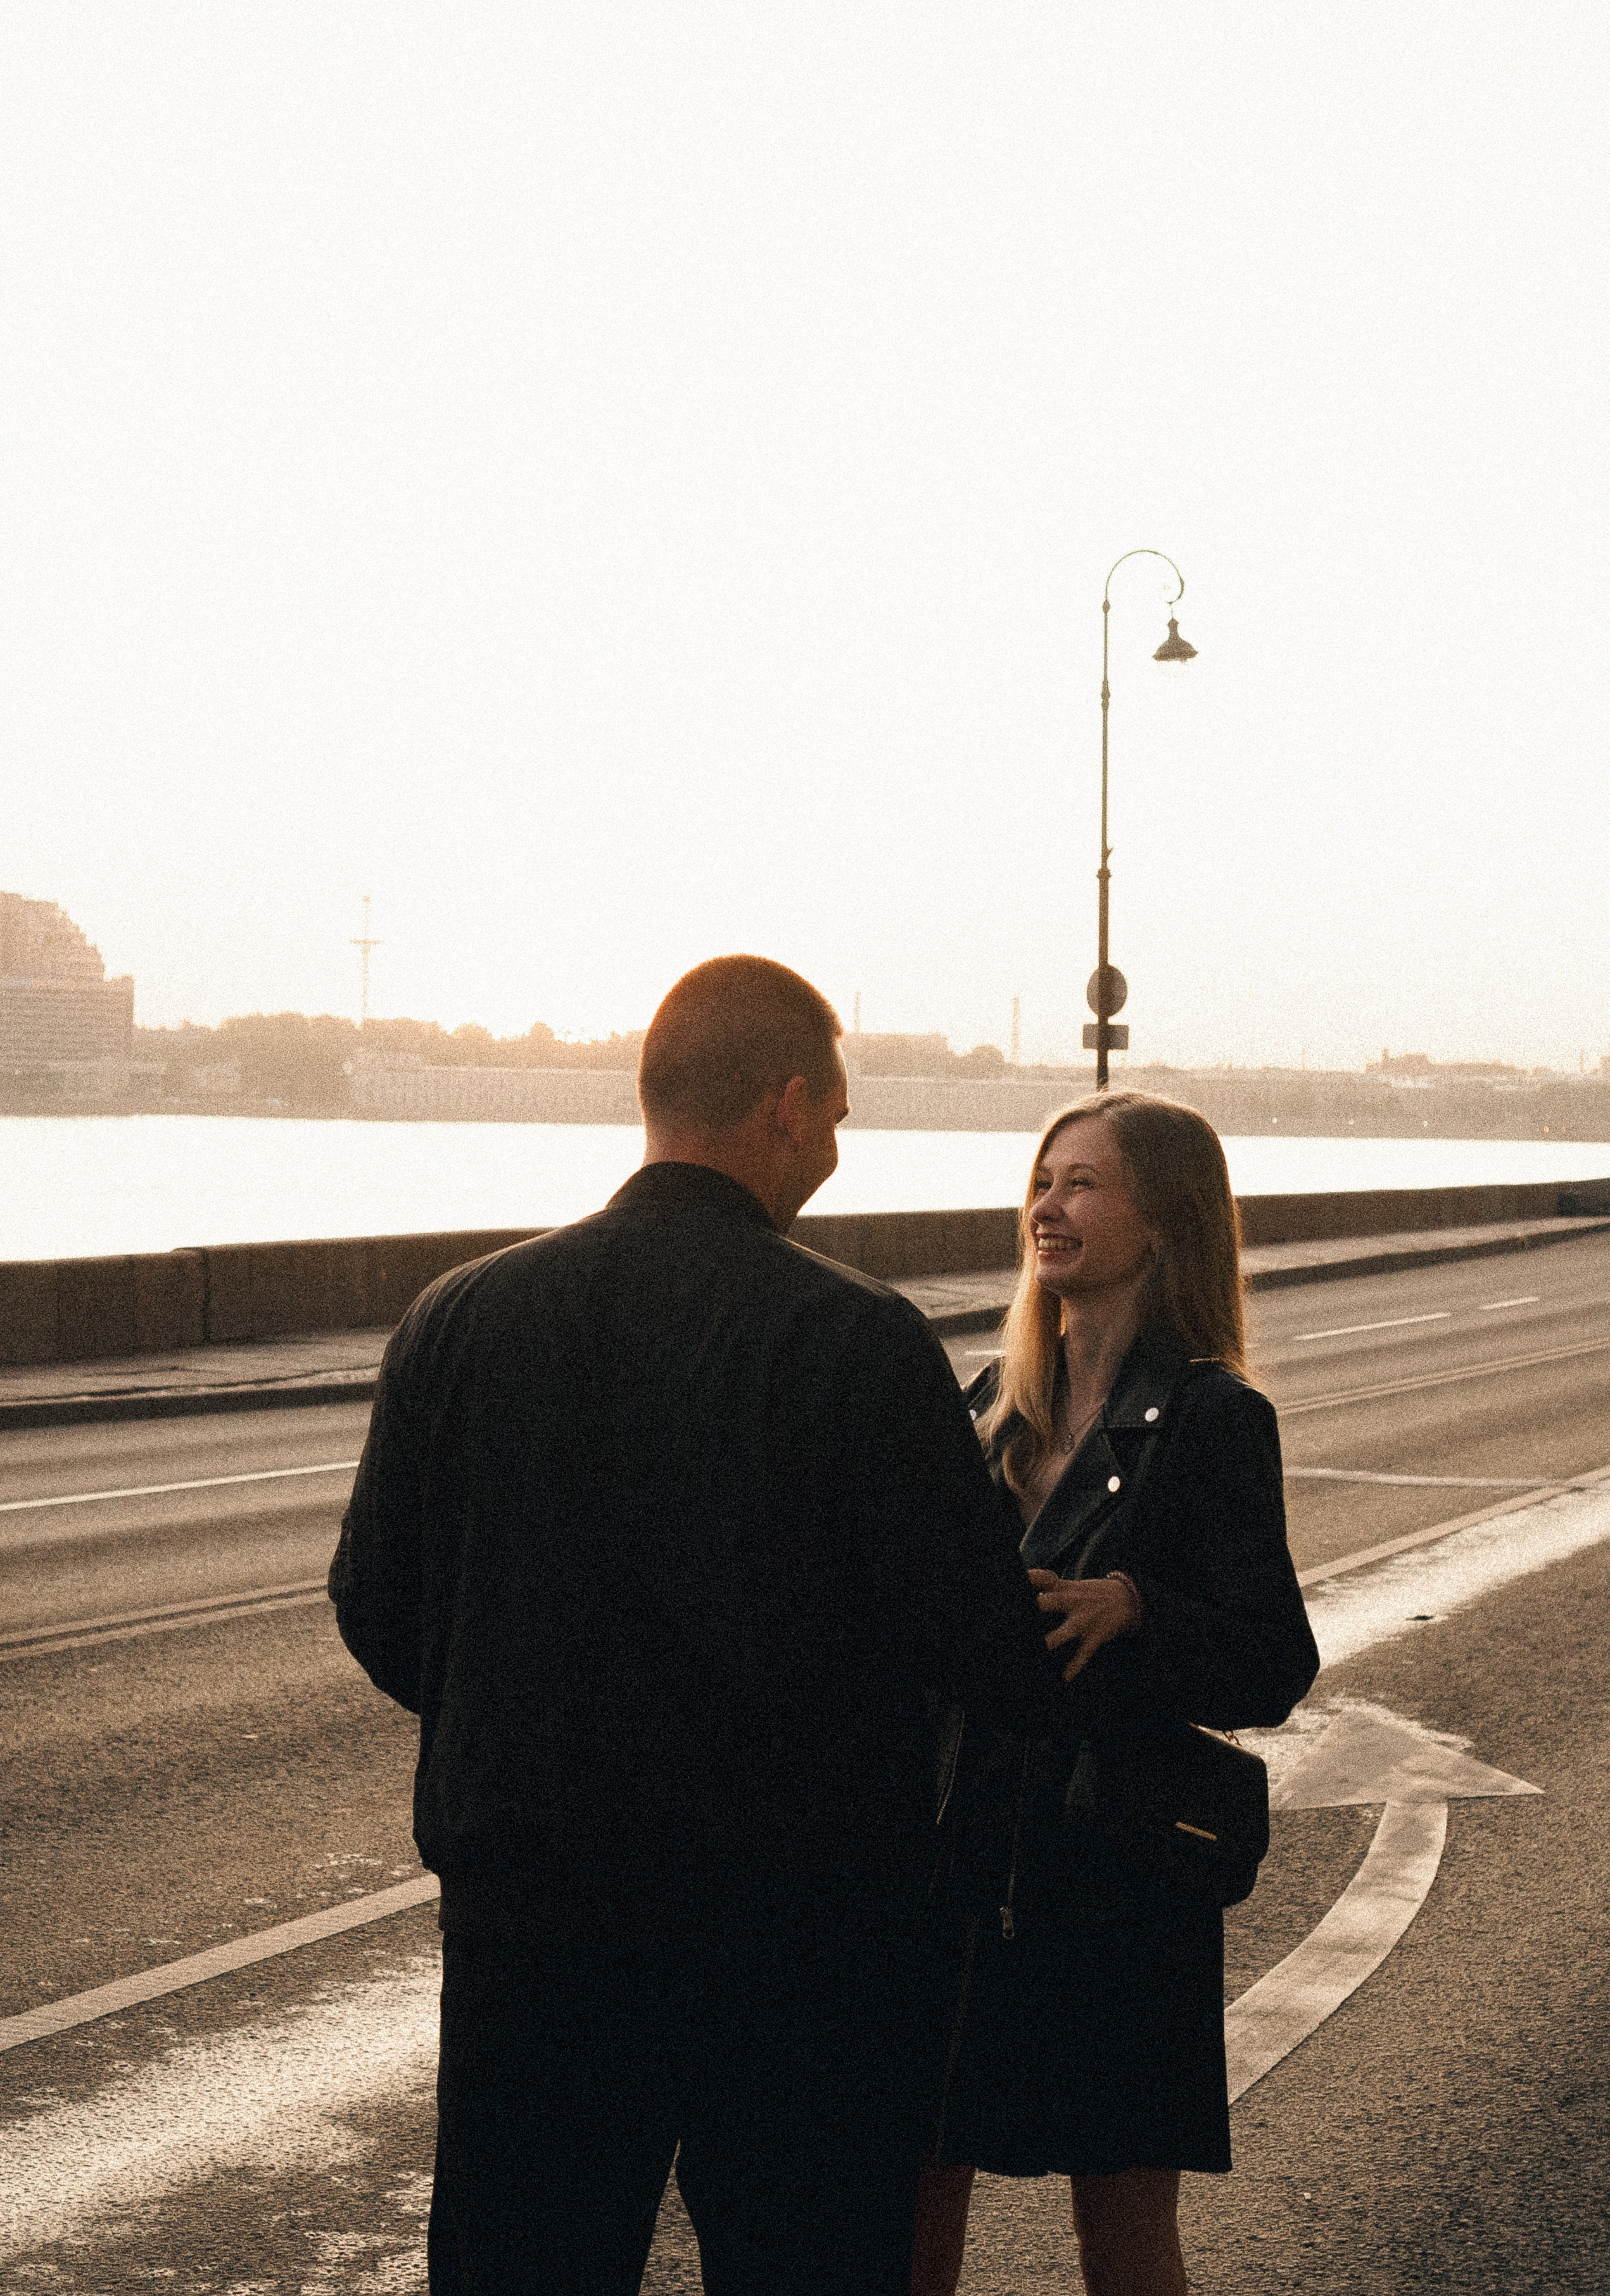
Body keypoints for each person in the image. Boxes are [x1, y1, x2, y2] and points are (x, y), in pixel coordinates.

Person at [329, 954, 1067, 2296]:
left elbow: (377, 1606)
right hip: (801, 1946)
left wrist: (522, 1722)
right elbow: (978, 1646)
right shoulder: (855, 1339)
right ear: (785, 1104)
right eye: (835, 1119)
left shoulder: (459, 1316)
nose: (834, 1150)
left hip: (530, 1930)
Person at [911, 1092, 1320, 2296]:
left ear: (1165, 1218)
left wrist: (1141, 1607)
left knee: (1126, 2225)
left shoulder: (1211, 1417)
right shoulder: (990, 1401)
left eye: (1084, 1182)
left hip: (1117, 1871)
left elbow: (1273, 1660)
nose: (1049, 1204)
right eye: (1043, 1178)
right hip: (959, 1858)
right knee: (915, 2191)